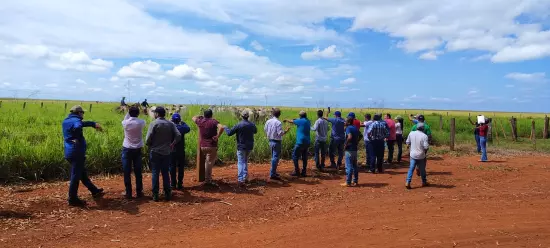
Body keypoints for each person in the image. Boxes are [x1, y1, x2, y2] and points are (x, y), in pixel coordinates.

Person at [62, 105, 104, 206]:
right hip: (76, 152)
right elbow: (78, 126)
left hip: (69, 151)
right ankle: (73, 199)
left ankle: (94, 191)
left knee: (82, 173)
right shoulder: (77, 121)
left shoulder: (66, 121)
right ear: (78, 113)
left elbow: (82, 124)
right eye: (82, 113)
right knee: (76, 176)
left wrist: (93, 124)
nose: (83, 114)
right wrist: (77, 137)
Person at [146, 106, 181, 202]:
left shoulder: (153, 124)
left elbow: (148, 139)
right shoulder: (170, 124)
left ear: (156, 114)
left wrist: (150, 145)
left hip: (155, 151)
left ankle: (155, 194)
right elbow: (178, 135)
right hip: (167, 152)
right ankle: (168, 193)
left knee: (155, 172)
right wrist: (172, 144)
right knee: (165, 173)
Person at [224, 110, 257, 187]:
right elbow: (255, 131)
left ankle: (240, 179)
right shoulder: (252, 124)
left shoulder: (239, 125)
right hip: (249, 146)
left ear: (241, 116)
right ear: (248, 116)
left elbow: (229, 133)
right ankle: (245, 177)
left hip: (241, 146)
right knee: (245, 161)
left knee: (240, 162)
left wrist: (226, 127)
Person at [193, 109, 225, 186]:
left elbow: (193, 118)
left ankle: (203, 178)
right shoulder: (213, 121)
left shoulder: (200, 121)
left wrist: (199, 116)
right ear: (211, 115)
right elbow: (222, 127)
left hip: (202, 146)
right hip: (211, 145)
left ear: (204, 115)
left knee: (206, 161)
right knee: (209, 163)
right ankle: (208, 180)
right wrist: (217, 136)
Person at [121, 106, 146, 199]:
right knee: (138, 171)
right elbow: (141, 120)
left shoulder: (125, 123)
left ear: (129, 113)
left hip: (127, 148)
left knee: (127, 171)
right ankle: (139, 192)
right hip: (138, 149)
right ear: (138, 113)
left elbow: (125, 118)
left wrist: (128, 112)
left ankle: (128, 193)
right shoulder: (141, 122)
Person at [264, 108, 290, 180]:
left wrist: (268, 135)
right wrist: (286, 131)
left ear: (272, 114)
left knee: (273, 157)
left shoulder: (268, 121)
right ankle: (272, 173)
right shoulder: (278, 122)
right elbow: (280, 133)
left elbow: (265, 129)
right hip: (276, 142)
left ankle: (274, 172)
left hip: (270, 141)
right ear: (279, 114)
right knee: (275, 158)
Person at [284, 111, 311, 177]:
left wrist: (286, 120)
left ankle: (297, 171)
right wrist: (296, 119)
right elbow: (298, 120)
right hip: (307, 141)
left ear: (300, 116)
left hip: (300, 142)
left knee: (294, 156)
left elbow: (291, 121)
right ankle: (304, 171)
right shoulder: (308, 121)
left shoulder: (300, 121)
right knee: (304, 157)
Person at [405, 123, 430, 189]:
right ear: (423, 129)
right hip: (421, 155)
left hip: (412, 154)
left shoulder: (411, 133)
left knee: (411, 168)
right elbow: (426, 147)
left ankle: (408, 181)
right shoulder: (424, 136)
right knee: (422, 170)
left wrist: (408, 146)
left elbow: (407, 142)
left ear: (417, 128)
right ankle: (424, 182)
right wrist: (425, 151)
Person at [170, 113, 190, 190]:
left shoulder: (170, 127)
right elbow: (188, 128)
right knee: (181, 167)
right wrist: (183, 122)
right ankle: (180, 184)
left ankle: (172, 184)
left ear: (172, 120)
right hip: (180, 150)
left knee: (172, 167)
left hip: (171, 150)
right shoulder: (182, 128)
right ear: (179, 120)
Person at [341, 116, 360, 187]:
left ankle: (348, 182)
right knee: (355, 165)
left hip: (349, 149)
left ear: (348, 122)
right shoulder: (355, 127)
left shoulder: (348, 128)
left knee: (348, 166)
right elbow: (360, 135)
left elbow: (349, 137)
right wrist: (356, 142)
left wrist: (345, 144)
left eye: (345, 121)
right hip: (355, 148)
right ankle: (355, 181)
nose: (344, 122)